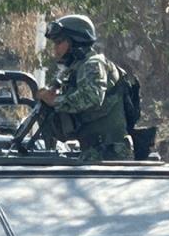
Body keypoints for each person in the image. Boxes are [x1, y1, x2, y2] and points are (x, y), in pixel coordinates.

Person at [36, 14, 134, 162]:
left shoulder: (93, 64)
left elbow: (92, 97)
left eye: (59, 42)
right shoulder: (75, 69)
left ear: (75, 41)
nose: (55, 49)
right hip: (93, 153)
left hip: (110, 154)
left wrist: (56, 101)